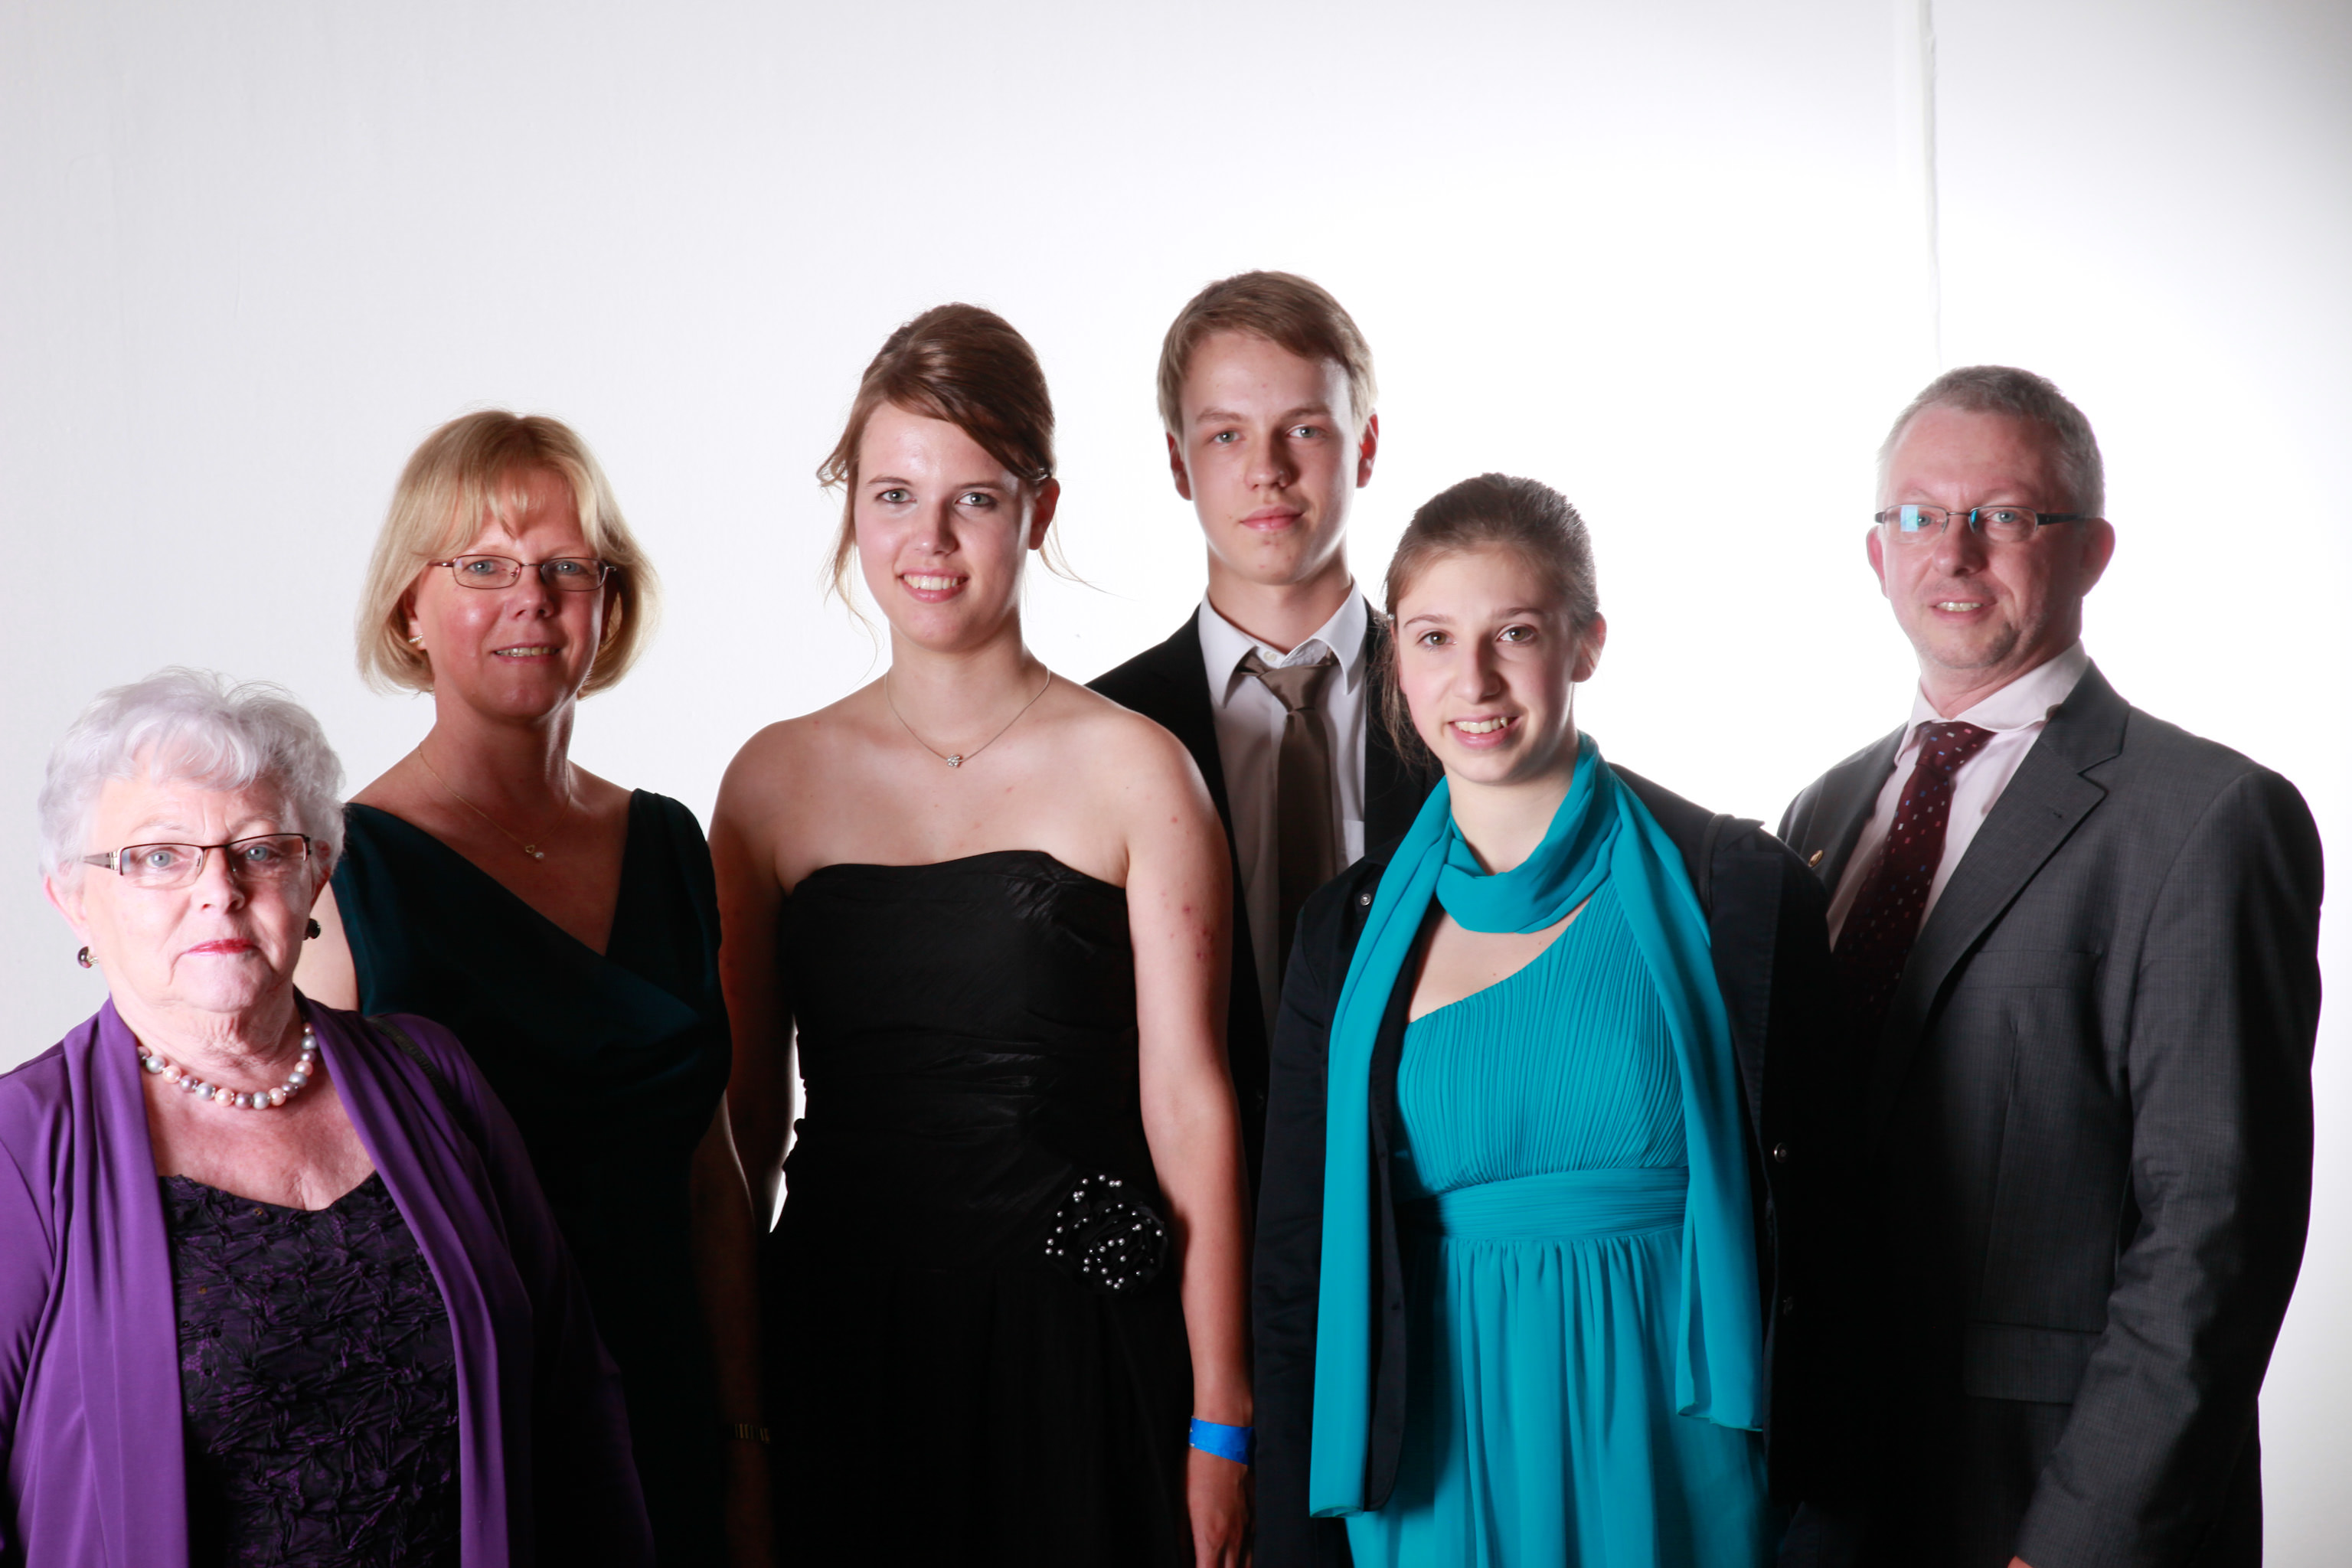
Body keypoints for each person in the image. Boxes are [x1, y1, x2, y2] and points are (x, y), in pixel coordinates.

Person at [712, 303, 1253, 1566]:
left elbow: (1189, 1102)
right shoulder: (772, 782)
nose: (931, 540)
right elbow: (735, 1139)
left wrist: (1223, 1416)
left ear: (1038, 510)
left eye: (975, 499)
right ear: (853, 508)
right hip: (840, 1346)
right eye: (894, 495)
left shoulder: (1138, 771)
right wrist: (736, 1425)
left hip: (1078, 1347)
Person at [1776, 368, 2321, 1568]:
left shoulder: (2208, 816)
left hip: (2045, 1502)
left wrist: (2081, 1543)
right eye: (1920, 515)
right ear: (1876, 552)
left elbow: (2216, 1230)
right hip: (1831, 1500)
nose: (1955, 551)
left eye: (2006, 516)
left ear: (2092, 551)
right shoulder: (1822, 812)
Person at [1254, 475, 1844, 1567]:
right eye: (1434, 637)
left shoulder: (1738, 891)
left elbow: (1839, 1236)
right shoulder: (1344, 932)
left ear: (1586, 644)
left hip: (1674, 1449)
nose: (1472, 680)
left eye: (1515, 633)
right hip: (1432, 1450)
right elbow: (1297, 1260)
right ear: (1395, 656)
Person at [2, 668, 649, 1566]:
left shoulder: (434, 1075)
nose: (219, 888)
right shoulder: (21, 1145)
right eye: (159, 856)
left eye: (261, 848)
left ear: (317, 871)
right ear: (73, 896)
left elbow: (573, 1398)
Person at [296, 412, 764, 1566]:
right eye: (484, 567)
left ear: (610, 601)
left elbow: (710, 1180)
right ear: (410, 607)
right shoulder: (342, 870)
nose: (533, 600)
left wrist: (749, 1441)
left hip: (668, 1411)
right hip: (466, 1434)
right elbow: (312, 1223)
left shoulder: (670, 843)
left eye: (567, 566)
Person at [1092, 272, 1440, 1181]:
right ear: (1179, 464)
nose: (1267, 470)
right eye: (1226, 435)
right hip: (1187, 1212)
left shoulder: (1462, 705)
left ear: (1365, 446)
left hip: (1423, 1206)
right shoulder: (1099, 734)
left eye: (1304, 429)